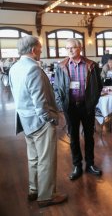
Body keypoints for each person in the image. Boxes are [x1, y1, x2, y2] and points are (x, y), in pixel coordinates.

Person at [9, 35, 67, 207]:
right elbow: (40, 102)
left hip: (25, 120)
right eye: (40, 48)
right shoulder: (33, 69)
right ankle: (47, 196)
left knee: (33, 157)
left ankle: (34, 190)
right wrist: (51, 119)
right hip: (40, 122)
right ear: (33, 49)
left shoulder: (14, 67)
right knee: (46, 159)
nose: (41, 51)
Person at [54, 38, 103, 180]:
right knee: (73, 137)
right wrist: (61, 104)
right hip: (70, 107)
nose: (69, 50)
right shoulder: (61, 66)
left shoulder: (91, 65)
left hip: (86, 106)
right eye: (67, 48)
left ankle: (90, 164)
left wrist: (93, 102)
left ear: (79, 48)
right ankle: (77, 165)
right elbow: (56, 87)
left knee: (89, 136)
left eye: (72, 48)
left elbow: (98, 86)